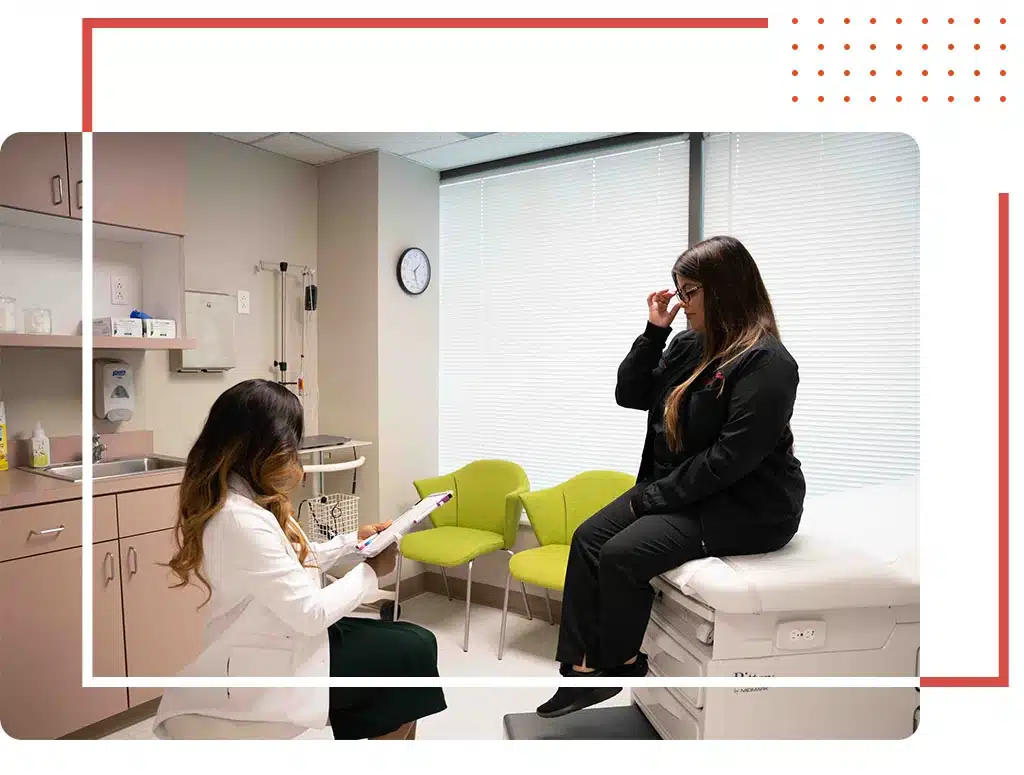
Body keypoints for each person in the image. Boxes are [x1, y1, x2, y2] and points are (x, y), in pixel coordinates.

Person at [537, 235, 806, 718]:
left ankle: (620, 663)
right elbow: (630, 393)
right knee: (587, 539)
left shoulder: (767, 362)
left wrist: (651, 499)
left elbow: (730, 459)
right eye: (679, 291)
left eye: (690, 292)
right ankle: (579, 672)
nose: (681, 303)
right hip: (685, 486)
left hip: (746, 505)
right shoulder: (688, 344)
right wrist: (653, 332)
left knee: (621, 554)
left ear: (725, 288)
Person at [152, 379, 446, 740]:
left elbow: (290, 561)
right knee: (410, 652)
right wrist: (371, 572)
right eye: (291, 445)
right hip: (271, 659)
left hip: (285, 635)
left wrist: (353, 542)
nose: (295, 459)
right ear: (262, 446)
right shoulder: (238, 519)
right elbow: (310, 614)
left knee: (416, 644)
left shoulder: (249, 499)